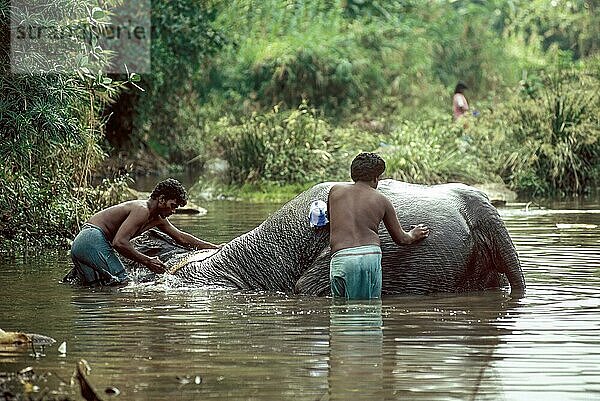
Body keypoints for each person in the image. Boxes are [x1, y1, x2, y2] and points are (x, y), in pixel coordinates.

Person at [68, 178, 220, 286]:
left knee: (96, 290)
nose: (173, 211)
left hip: (84, 244)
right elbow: (119, 242)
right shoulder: (142, 210)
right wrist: (148, 261)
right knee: (124, 283)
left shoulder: (158, 218)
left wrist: (216, 248)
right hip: (91, 239)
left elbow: (181, 238)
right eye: (172, 205)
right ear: (161, 199)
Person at [327, 152, 429, 299]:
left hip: (341, 257)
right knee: (367, 309)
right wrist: (414, 234)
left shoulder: (335, 191)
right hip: (369, 257)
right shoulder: (382, 200)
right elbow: (401, 239)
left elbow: (331, 218)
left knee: (339, 309)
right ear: (376, 178)